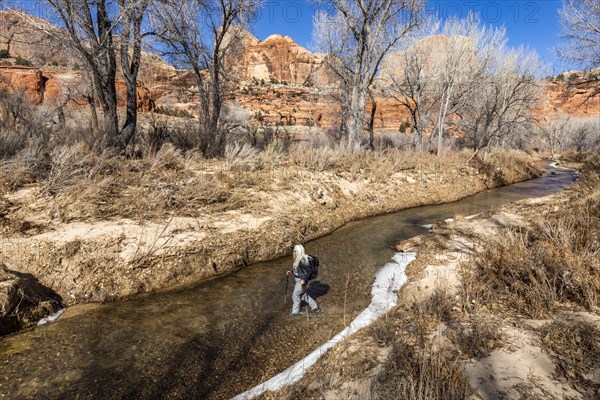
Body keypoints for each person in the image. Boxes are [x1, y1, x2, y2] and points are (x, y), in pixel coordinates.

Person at [287, 244, 320, 316]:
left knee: (295, 296)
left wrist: (304, 280)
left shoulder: (301, 260)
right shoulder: (300, 259)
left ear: (298, 252)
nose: (294, 252)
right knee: (303, 295)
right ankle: (315, 308)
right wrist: (291, 272)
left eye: (295, 251)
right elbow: (299, 270)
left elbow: (309, 271)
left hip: (300, 281)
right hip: (300, 280)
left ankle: (295, 312)